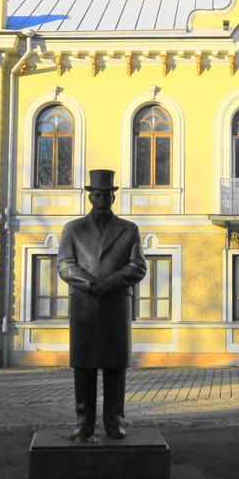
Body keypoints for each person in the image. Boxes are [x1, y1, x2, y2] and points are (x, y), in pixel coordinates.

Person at [57, 169, 147, 440]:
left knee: (114, 367)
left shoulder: (128, 229)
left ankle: (115, 420)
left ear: (113, 197)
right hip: (84, 308)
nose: (101, 199)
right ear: (90, 196)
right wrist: (90, 283)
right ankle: (83, 422)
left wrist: (110, 283)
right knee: (84, 368)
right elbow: (65, 265)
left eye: (106, 194)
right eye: (97, 194)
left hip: (115, 305)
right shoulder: (73, 229)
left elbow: (138, 266)